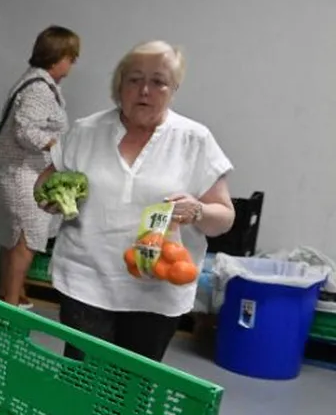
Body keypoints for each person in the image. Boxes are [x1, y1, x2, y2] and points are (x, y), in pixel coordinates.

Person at [39, 40, 235, 362]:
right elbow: (45, 184)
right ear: (119, 85)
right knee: (82, 378)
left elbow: (224, 218)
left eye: (158, 81)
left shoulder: (194, 139)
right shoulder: (86, 131)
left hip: (158, 289)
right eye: (134, 79)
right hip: (86, 280)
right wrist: (51, 200)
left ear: (174, 89)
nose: (145, 90)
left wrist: (198, 210)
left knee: (136, 381)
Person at [0, 25, 80, 308]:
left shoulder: (38, 82)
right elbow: (25, 131)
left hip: (16, 170)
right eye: (71, 57)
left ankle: (7, 292)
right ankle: (11, 304)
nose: (73, 64)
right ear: (57, 57)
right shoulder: (38, 89)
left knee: (13, 236)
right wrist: (56, 146)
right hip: (21, 173)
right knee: (25, 239)